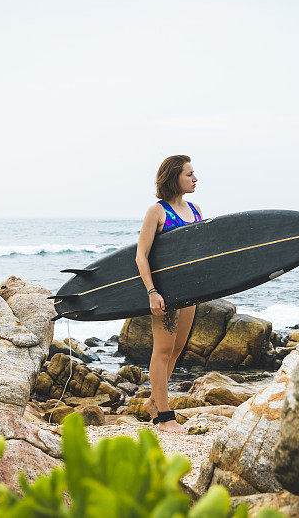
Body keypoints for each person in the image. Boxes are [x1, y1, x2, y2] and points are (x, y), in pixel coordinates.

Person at [135, 155, 202, 434]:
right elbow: (141, 255)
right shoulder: (157, 212)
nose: (195, 179)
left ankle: (153, 401)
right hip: (166, 292)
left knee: (176, 349)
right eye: (189, 174)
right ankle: (164, 418)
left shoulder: (196, 210)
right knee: (162, 351)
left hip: (190, 292)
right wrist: (152, 292)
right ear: (174, 177)